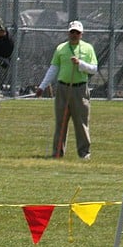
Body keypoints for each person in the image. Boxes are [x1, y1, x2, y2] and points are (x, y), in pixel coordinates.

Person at [34, 20, 99, 160]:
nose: (74, 35)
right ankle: (57, 152)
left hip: (80, 89)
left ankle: (84, 153)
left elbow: (94, 69)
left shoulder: (88, 48)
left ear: (82, 34)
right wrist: (42, 86)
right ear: (68, 33)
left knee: (81, 122)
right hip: (63, 88)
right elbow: (53, 69)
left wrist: (80, 64)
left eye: (77, 32)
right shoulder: (61, 48)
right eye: (72, 32)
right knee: (61, 122)